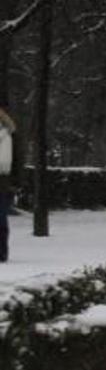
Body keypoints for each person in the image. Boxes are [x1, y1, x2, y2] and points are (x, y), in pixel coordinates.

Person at [0, 108, 21, 263]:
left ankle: (1, 252)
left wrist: (16, 183)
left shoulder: (10, 136)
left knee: (1, 218)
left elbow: (18, 160)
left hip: (3, 182)